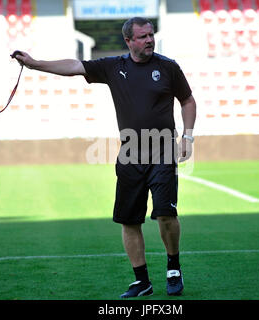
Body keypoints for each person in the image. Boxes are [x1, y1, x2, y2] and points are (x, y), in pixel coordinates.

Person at [14, 17, 196, 298]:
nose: (149, 40)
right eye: (143, 36)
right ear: (129, 41)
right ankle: (142, 281)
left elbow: (187, 100)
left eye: (151, 35)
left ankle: (173, 267)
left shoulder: (168, 67)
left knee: (166, 214)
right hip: (130, 153)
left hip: (162, 150)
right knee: (128, 220)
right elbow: (75, 66)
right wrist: (35, 63)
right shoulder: (114, 67)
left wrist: (188, 136)